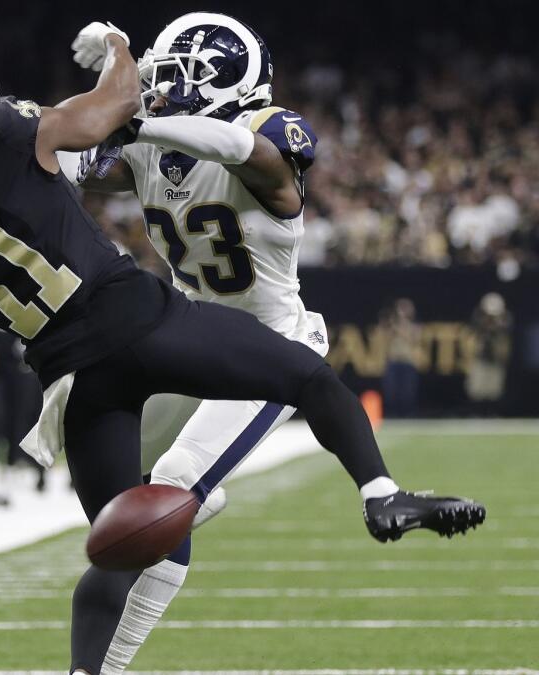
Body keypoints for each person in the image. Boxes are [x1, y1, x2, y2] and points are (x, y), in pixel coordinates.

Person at [0, 21, 485, 674]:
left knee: (124, 536)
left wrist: (17, 123)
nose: (162, 82)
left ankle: (93, 663)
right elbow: (82, 130)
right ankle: (378, 493)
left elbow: (93, 159)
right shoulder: (27, 137)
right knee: (289, 394)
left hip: (73, 371)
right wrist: (68, 79)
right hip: (153, 327)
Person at [62, 11, 355, 664]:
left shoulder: (268, 132)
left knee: (171, 484)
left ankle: (185, 505)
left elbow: (249, 151)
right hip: (189, 344)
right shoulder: (152, 147)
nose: (162, 88)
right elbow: (68, 152)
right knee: (128, 505)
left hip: (267, 351)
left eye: (180, 76)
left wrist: (136, 117)